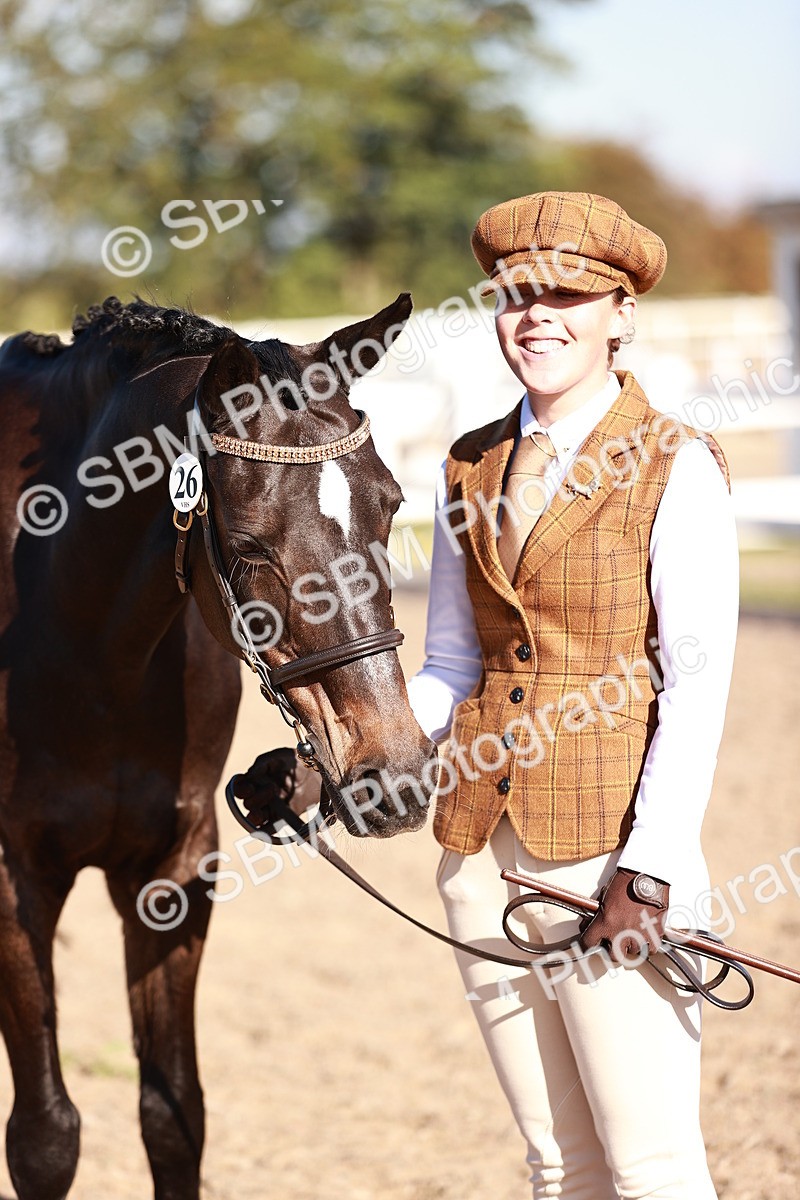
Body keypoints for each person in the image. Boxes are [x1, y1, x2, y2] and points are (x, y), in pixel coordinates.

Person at [403, 191, 739, 1198]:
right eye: (516, 297)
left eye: (567, 297)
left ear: (620, 314)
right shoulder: (468, 464)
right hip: (479, 857)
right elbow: (450, 665)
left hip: (606, 861)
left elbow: (697, 684)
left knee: (650, 1169)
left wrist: (651, 869)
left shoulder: (675, 464)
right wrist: (343, 759)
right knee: (558, 1165)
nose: (535, 317)